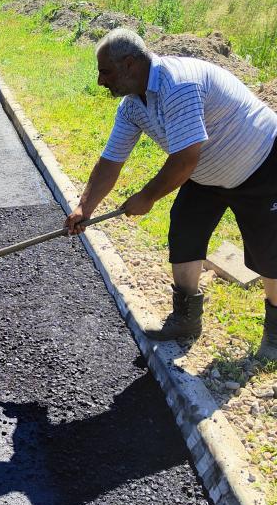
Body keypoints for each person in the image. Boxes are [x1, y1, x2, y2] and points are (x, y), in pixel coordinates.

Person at [65, 27, 277, 361]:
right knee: (185, 229)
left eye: (105, 72)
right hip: (207, 173)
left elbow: (184, 158)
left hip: (262, 162)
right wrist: (84, 208)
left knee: (269, 251)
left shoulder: (177, 84)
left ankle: (276, 336)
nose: (100, 81)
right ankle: (186, 320)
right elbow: (110, 161)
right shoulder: (133, 105)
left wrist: (147, 196)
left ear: (131, 64)